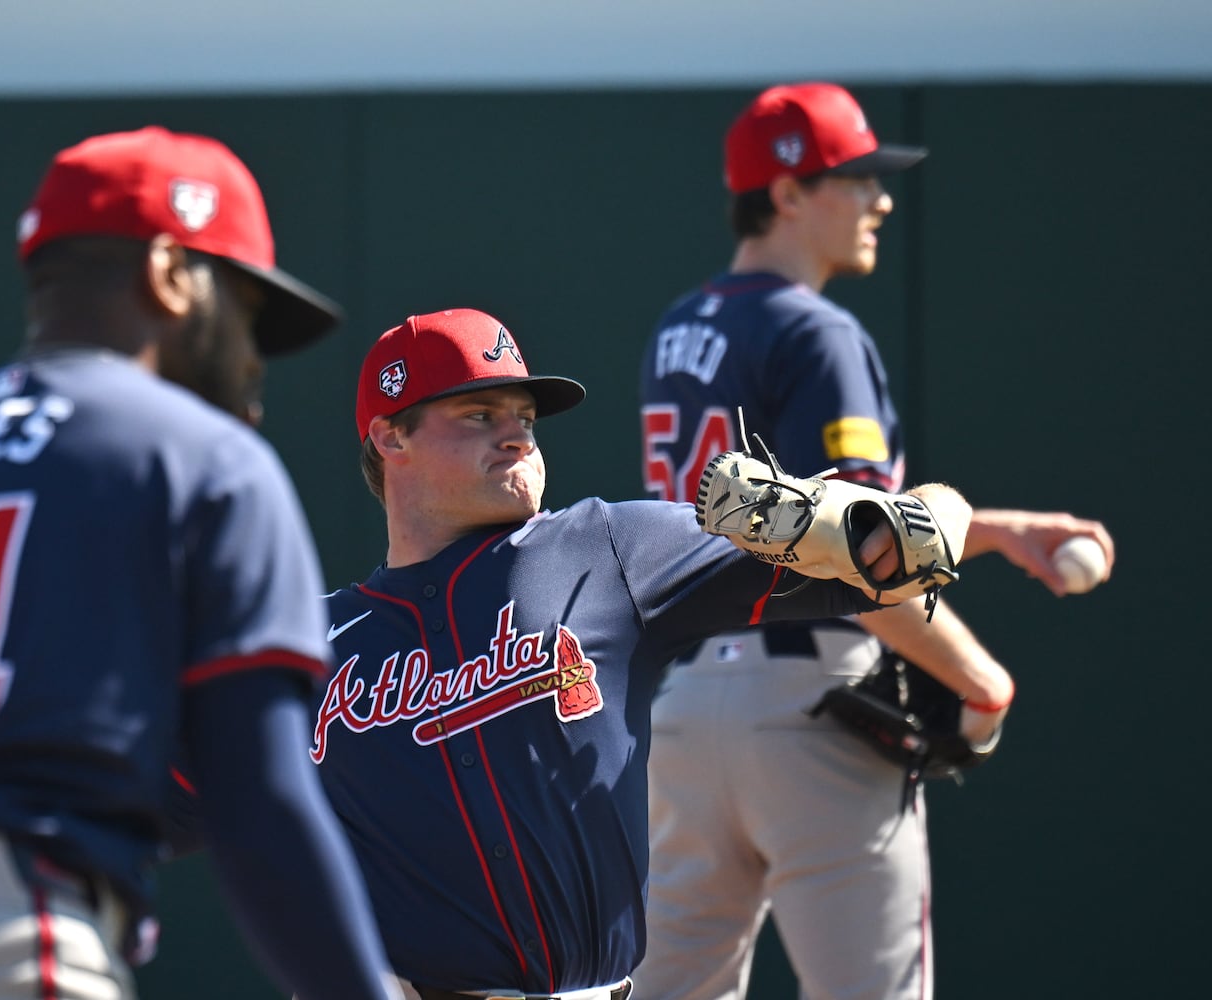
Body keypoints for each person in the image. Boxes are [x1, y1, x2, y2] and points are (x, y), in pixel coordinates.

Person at [0, 126, 400, 1000]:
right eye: (244, 316)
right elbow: (259, 802)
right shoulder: (197, 460)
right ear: (170, 276)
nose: (251, 360)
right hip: (8, 938)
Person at [306, 305, 1088, 1000]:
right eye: (478, 413)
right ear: (388, 434)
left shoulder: (608, 546)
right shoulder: (315, 645)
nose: (516, 432)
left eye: (525, 414)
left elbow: (881, 551)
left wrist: (952, 518)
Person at [630, 83, 1116, 1000]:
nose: (879, 201)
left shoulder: (678, 328)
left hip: (687, 706)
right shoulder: (815, 332)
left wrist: (1002, 532)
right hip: (811, 702)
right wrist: (978, 677)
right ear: (786, 194)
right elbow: (858, 558)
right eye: (854, 179)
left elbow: (761, 527)